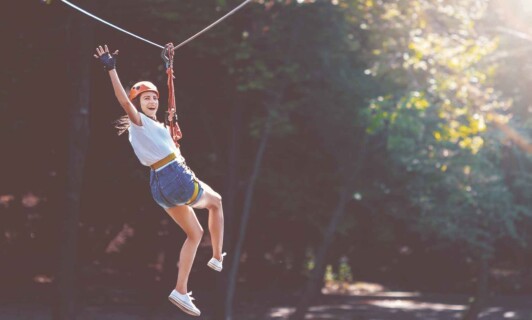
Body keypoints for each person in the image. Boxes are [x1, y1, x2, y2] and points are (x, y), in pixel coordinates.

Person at [94, 44, 225, 317]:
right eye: (146, 99)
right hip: (173, 177)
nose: (152, 102)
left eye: (154, 98)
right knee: (217, 202)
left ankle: (180, 290)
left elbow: (169, 136)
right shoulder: (138, 122)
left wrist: (169, 65)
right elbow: (122, 100)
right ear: (139, 105)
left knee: (195, 233)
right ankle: (216, 258)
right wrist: (111, 68)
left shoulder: (161, 127)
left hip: (159, 187)